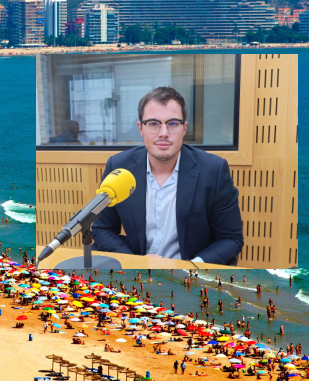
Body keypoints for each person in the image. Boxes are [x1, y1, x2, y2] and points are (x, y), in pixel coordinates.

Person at [93, 87, 243, 265]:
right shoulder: (119, 167)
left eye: (172, 123)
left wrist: (191, 266)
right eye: (153, 123)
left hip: (190, 271)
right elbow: (102, 229)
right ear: (141, 128)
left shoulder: (213, 170)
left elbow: (231, 238)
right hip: (138, 270)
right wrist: (135, 262)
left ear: (184, 128)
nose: (163, 133)